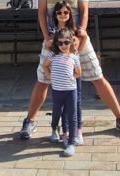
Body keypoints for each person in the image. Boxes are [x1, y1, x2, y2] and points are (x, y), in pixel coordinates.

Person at [18, 0, 120, 141]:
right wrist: (47, 37)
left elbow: (84, 11)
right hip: (54, 39)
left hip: (76, 39)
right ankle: (29, 121)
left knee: (97, 76)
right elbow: (41, 13)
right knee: (42, 80)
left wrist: (81, 35)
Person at [40, 28, 81, 157]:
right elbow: (44, 66)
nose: (63, 46)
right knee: (56, 111)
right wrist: (50, 76)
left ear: (71, 43)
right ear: (56, 44)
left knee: (72, 115)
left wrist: (70, 77)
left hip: (71, 91)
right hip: (57, 91)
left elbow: (79, 72)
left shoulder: (74, 58)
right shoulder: (53, 55)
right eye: (60, 43)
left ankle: (71, 142)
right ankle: (54, 129)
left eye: (66, 42)